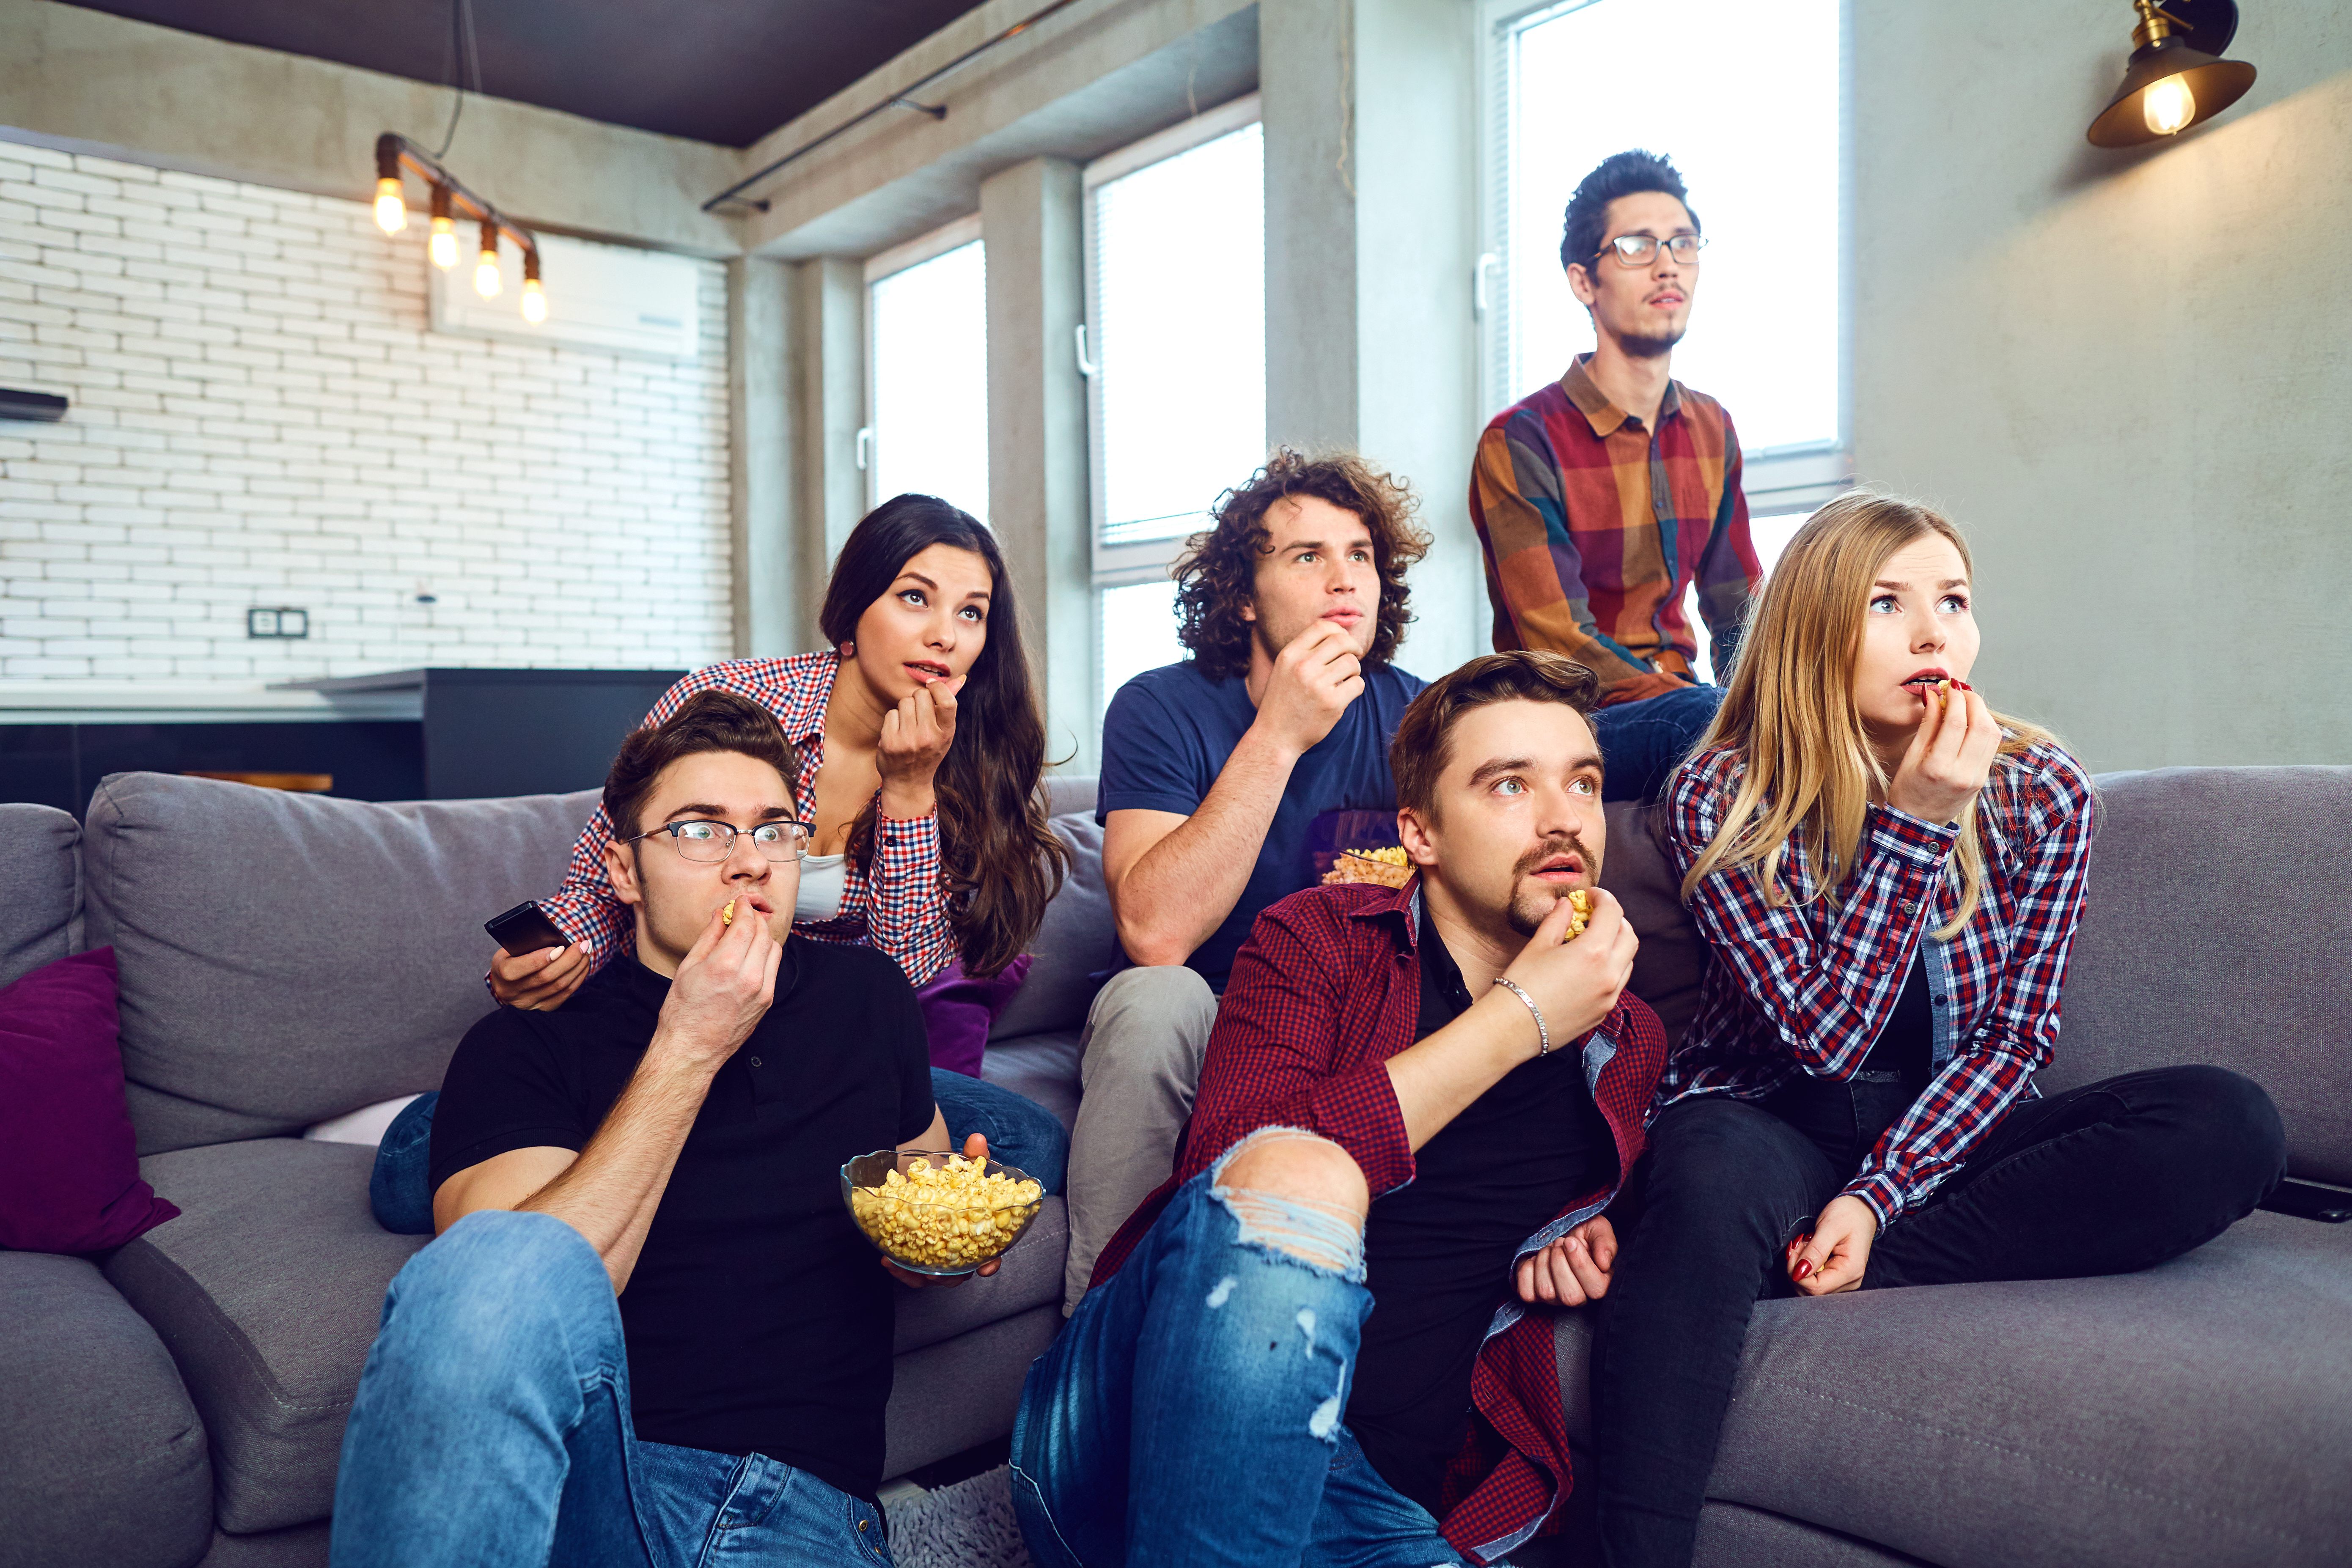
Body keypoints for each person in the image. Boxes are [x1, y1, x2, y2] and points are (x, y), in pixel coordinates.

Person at [1589, 492, 2288, 1568]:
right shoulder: (1720, 791)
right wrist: (1908, 828)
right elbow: (1820, 1040)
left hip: (1946, 1132)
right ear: (1812, 628)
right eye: (1886, 604)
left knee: (2223, 1122)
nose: (1933, 635)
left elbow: (2010, 1043)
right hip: (1768, 1114)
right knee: (1708, 1180)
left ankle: (1840, 1256)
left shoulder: (2037, 790)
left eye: (1952, 602)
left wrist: (1874, 1202)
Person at [331, 691, 1021, 1568]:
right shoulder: (524, 1044)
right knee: (493, 1261)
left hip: (799, 1511)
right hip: (589, 1489)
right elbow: (501, 1305)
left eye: (772, 830)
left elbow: (916, 1179)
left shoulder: (867, 996)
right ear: (623, 871)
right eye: (700, 831)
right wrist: (689, 1046)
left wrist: (940, 1237)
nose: (748, 862)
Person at [1013, 652, 1665, 1568]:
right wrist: (1515, 1023)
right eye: (1508, 785)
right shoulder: (1317, 939)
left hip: (1370, 1502)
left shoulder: (1623, 1035)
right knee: (1299, 1164)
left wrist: (1597, 1234)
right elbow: (1237, 1181)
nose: (1564, 818)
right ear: (1419, 834)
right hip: (1141, 1423)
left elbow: (1651, 1202)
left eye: (1583, 784)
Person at [1069, 448, 1431, 1312]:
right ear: (1241, 594)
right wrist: (1278, 734)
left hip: (1339, 1028)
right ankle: (1095, 1326)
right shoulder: (1161, 706)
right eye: (1306, 556)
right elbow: (1154, 932)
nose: (1343, 578)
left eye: (1359, 556)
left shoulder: (1419, 719)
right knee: (1155, 996)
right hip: (1203, 1010)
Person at [489, 492, 1067, 1005]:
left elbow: (905, 971)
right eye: (915, 597)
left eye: (972, 612)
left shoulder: (975, 758)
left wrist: (911, 787)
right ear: (855, 606)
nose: (945, 635)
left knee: (1022, 1131)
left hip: (824, 1030)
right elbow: (606, 877)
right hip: (676, 1002)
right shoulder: (728, 698)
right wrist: (554, 954)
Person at [1468, 149, 1762, 803]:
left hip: (1688, 705)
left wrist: (1785, 693)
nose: (1667, 264)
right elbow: (1563, 647)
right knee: (1707, 721)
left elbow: (1741, 614)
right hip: (1567, 717)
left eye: (1683, 243)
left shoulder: (1712, 428)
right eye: (1636, 246)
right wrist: (1721, 707)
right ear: (1583, 281)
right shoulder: (1521, 440)